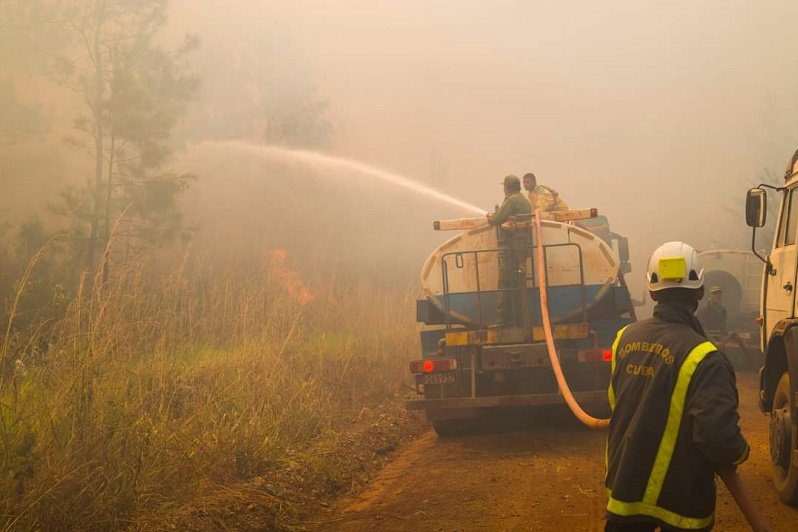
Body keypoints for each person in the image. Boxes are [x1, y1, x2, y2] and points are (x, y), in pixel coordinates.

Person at [605, 242, 749, 531]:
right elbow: (717, 436)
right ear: (700, 291)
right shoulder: (706, 357)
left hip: (626, 489)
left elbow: (616, 400)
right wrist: (739, 453)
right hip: (681, 500)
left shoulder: (624, 338)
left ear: (651, 291)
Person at [487, 175, 532, 327]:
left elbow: (496, 220)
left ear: (507, 187)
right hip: (521, 249)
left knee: (505, 284)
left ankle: (502, 321)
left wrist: (491, 216)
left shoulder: (512, 200)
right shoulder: (524, 200)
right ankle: (519, 319)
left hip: (510, 250)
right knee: (517, 285)